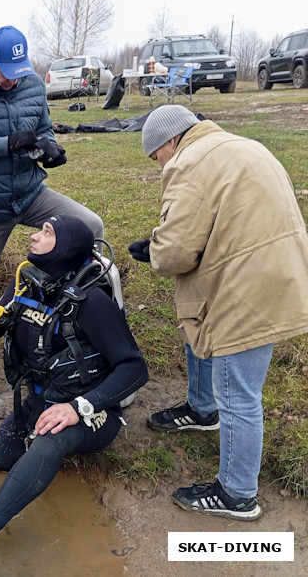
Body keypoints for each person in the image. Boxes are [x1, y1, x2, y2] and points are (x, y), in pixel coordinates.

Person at [0, 215, 148, 576]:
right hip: (36, 404)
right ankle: (31, 470)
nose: (34, 237)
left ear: (66, 247)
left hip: (93, 413)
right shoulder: (27, 284)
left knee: (50, 441)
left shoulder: (92, 302)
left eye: (46, 233)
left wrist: (79, 408)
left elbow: (134, 368)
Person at [129, 104, 308, 520]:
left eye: (157, 157)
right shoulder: (243, 145)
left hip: (246, 285)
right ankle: (200, 408)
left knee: (238, 392)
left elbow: (175, 253)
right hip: (278, 269)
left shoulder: (188, 163)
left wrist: (155, 251)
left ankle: (237, 494)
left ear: (171, 140)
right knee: (199, 329)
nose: (161, 166)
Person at [0, 25, 104, 385]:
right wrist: (7, 143)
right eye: (6, 73)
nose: (13, 80)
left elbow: (43, 127)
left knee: (91, 226)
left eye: (19, 72)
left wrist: (50, 149)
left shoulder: (32, 84)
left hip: (30, 194)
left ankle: (83, 311)